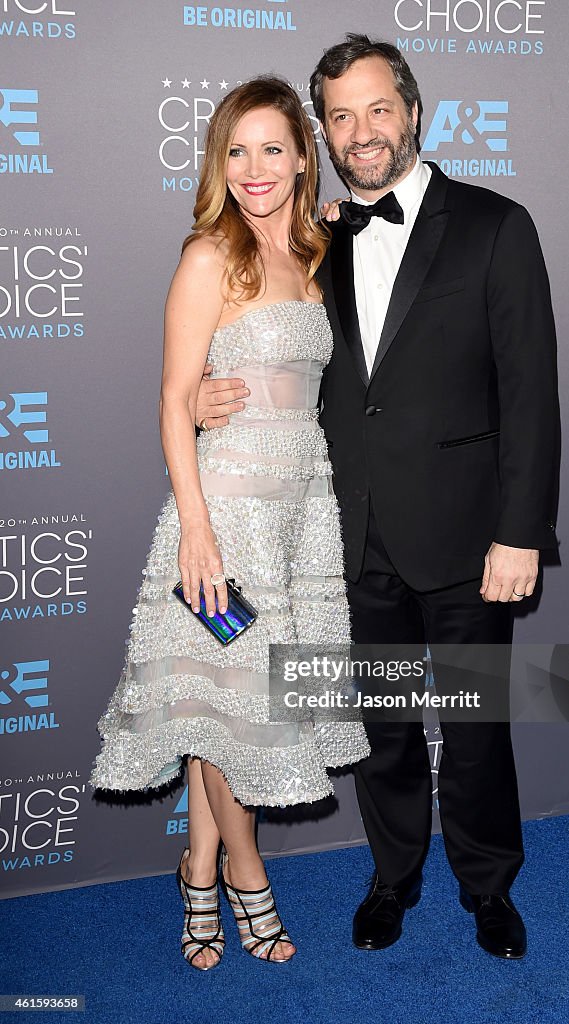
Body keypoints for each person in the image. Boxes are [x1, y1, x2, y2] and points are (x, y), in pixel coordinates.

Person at [195, 36, 560, 961]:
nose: (361, 132)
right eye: (341, 116)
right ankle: (390, 878)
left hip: (469, 537)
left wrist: (518, 533)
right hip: (344, 537)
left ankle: (487, 886)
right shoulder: (306, 239)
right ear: (325, 129)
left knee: (475, 729)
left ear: (412, 112)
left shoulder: (493, 224)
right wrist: (202, 397)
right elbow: (265, 354)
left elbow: (529, 394)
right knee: (383, 728)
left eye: (377, 109)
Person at [89, 76, 369, 970]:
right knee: (232, 705)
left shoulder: (319, 253)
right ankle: (247, 875)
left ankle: (197, 865)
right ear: (221, 162)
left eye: (273, 149)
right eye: (236, 151)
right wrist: (196, 531)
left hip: (303, 516)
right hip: (227, 514)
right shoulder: (211, 256)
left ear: (302, 155)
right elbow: (174, 400)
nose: (255, 169)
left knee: (228, 702)